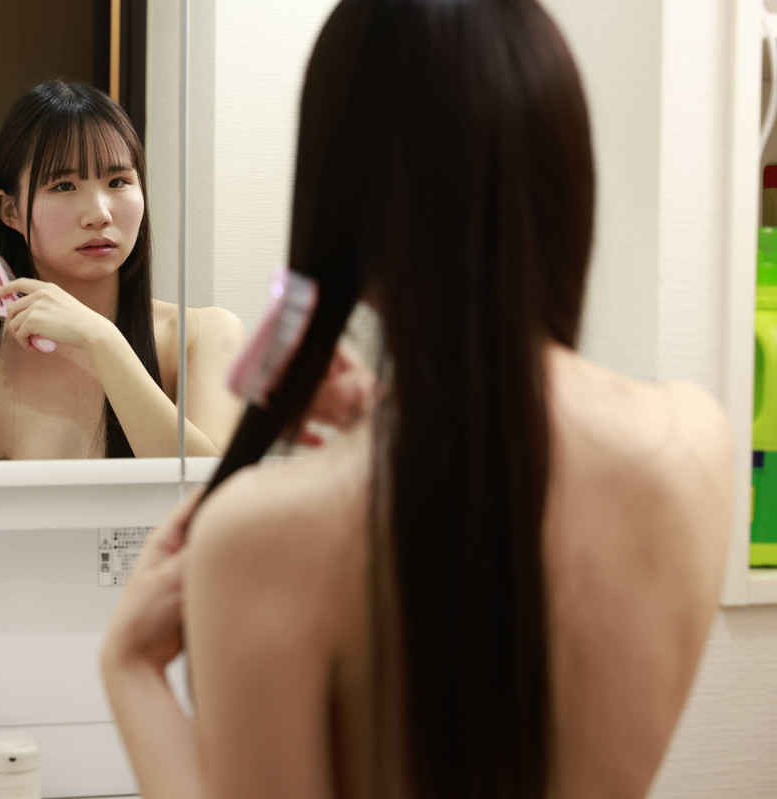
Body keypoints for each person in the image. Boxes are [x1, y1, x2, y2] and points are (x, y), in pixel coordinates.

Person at [99, 1, 733, 798]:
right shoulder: (696, 441)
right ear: (569, 170)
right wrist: (399, 411)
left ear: (339, 205)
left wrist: (129, 669)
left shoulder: (262, 536)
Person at [0, 80, 244, 461]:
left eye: (118, 182)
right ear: (11, 211)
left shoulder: (205, 337)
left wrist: (100, 338)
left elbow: (209, 482)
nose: (99, 214)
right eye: (64, 186)